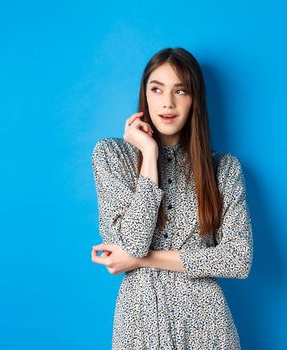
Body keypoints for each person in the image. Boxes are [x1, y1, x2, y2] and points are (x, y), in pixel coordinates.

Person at [90, 47, 253, 349]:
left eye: (180, 90)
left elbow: (238, 260)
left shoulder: (224, 169)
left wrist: (142, 260)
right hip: (139, 324)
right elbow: (133, 241)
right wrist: (149, 155)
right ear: (145, 94)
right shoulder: (111, 156)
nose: (167, 103)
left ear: (194, 100)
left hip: (207, 325)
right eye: (157, 89)